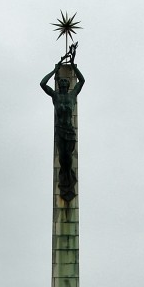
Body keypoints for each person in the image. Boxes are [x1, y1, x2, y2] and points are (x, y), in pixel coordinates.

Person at [40, 62, 85, 202]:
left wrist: (73, 65)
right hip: (59, 130)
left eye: (66, 82)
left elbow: (82, 81)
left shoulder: (72, 96)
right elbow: (42, 83)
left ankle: (68, 177)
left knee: (68, 157)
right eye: (61, 83)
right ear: (59, 86)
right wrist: (54, 70)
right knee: (62, 157)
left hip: (70, 131)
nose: (64, 84)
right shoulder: (56, 97)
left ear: (68, 85)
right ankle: (65, 177)